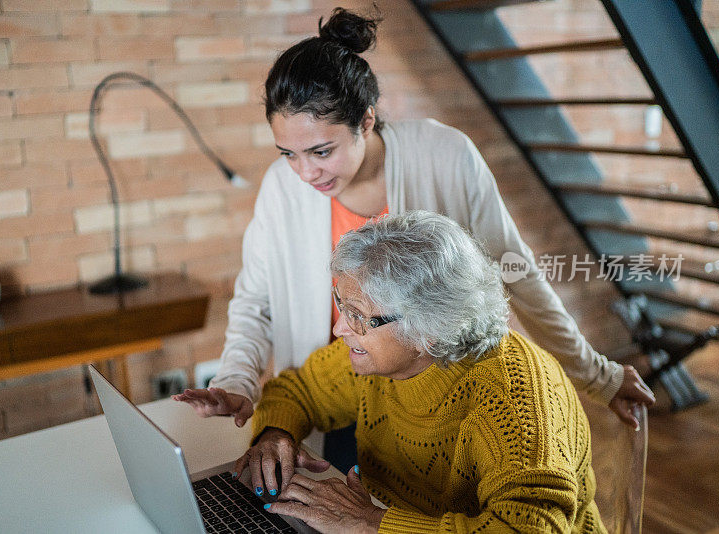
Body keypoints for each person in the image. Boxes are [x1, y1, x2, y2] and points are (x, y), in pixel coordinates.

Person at [173, 8, 653, 441]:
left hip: (441, 410)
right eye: (288, 154)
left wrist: (596, 374)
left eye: (321, 151)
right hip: (330, 402)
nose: (305, 172)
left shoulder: (445, 155)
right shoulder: (282, 188)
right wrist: (236, 380)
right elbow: (255, 301)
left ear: (365, 121)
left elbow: (514, 272)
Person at [231, 211, 606, 533]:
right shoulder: (373, 358)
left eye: (358, 316)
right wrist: (276, 434)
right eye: (341, 304)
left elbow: (526, 528)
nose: (340, 329)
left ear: (429, 328)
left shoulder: (513, 397)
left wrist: (372, 523)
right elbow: (299, 390)